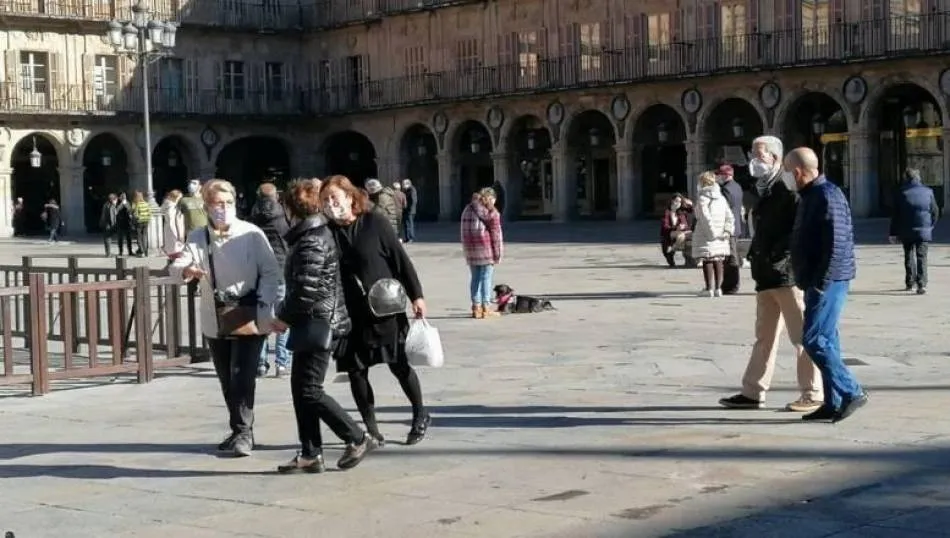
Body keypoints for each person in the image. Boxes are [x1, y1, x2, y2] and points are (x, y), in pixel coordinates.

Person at [169, 179, 281, 457]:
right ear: (206, 206)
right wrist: (188, 271)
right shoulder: (198, 236)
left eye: (228, 202)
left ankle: (244, 433)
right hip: (215, 317)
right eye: (217, 203)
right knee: (226, 378)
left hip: (249, 314)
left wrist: (264, 303)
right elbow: (176, 265)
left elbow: (271, 272)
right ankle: (238, 428)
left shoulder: (252, 234)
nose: (223, 208)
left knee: (243, 375)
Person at [273, 179, 377, 473]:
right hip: (314, 321)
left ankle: (356, 436)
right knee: (300, 388)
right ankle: (310, 452)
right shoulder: (312, 235)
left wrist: (283, 316)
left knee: (309, 390)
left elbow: (305, 289)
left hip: (319, 323)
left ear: (291, 210)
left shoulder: (312, 240)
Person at [321, 175, 431, 446]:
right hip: (349, 313)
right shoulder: (326, 232)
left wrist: (417, 295)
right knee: (356, 371)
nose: (331, 204)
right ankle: (371, 429)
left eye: (335, 198)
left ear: (350, 197)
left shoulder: (374, 222)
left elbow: (400, 259)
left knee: (398, 364)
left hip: (384, 308)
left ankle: (420, 413)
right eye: (325, 200)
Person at [719, 136, 823, 413]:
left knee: (802, 337)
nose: (755, 161)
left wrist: (779, 256)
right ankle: (753, 391)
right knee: (764, 336)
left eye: (760, 155)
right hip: (765, 273)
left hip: (786, 274)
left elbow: (797, 231)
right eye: (753, 154)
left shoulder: (787, 189)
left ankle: (813, 392)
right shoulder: (761, 188)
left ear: (776, 159)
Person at [787, 147, 867, 423]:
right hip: (817, 279)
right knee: (827, 339)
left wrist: (821, 282)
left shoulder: (826, 195)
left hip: (828, 280)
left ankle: (852, 390)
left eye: (788, 172)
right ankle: (832, 402)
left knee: (814, 339)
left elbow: (837, 243)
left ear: (798, 172)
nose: (787, 177)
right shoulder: (811, 195)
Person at [250, 182, 292, 377]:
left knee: (263, 318)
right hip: (281, 270)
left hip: (260, 272)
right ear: (276, 196)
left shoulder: (253, 217)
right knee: (283, 317)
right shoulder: (283, 216)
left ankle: (260, 363)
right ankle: (281, 363)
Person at [889, 168, 939, 294]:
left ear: (906, 178)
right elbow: (935, 211)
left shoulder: (901, 193)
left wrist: (893, 233)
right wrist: (930, 225)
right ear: (918, 178)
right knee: (922, 256)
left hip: (906, 230)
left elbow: (895, 215)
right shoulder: (928, 192)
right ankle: (921, 284)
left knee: (908, 255)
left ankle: (910, 282)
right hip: (923, 229)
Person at [460, 188, 504, 318]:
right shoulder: (491, 213)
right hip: (486, 249)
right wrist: (498, 254)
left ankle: (476, 307)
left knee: (475, 278)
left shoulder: (467, 209)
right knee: (486, 278)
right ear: (490, 199)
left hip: (471, 249)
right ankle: (486, 307)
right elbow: (496, 235)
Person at [691, 172, 734, 297]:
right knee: (718, 259)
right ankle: (718, 288)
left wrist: (711, 233)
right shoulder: (721, 198)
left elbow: (704, 217)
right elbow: (729, 216)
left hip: (707, 234)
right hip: (721, 235)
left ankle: (709, 288)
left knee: (708, 259)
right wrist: (727, 231)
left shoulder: (702, 198)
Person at [660, 193, 694, 267]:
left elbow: (692, 210)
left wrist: (691, 203)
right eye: (676, 201)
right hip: (670, 232)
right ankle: (671, 253)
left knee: (687, 235)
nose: (678, 203)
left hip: (683, 232)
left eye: (679, 201)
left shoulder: (682, 211)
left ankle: (671, 252)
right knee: (680, 236)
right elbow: (665, 226)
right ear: (672, 201)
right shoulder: (667, 212)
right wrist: (676, 228)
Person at [161, 190, 184, 260]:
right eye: (180, 198)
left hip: (169, 233)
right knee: (178, 254)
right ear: (175, 198)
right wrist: (179, 235)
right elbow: (173, 222)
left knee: (172, 254)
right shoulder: (173, 208)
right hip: (175, 233)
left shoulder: (168, 206)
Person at [131, 191, 152, 257]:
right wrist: (147, 218)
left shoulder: (137, 204)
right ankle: (146, 252)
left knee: (139, 237)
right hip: (146, 221)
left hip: (139, 222)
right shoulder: (146, 203)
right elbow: (150, 213)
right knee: (145, 236)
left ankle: (141, 251)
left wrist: (136, 218)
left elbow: (135, 214)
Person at [401, 179, 418, 243]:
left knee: (410, 225)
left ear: (408, 184)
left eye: (403, 184)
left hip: (410, 211)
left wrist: (410, 209)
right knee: (406, 224)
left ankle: (411, 238)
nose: (402, 185)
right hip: (406, 210)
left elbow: (414, 200)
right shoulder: (405, 190)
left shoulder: (412, 190)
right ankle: (407, 238)